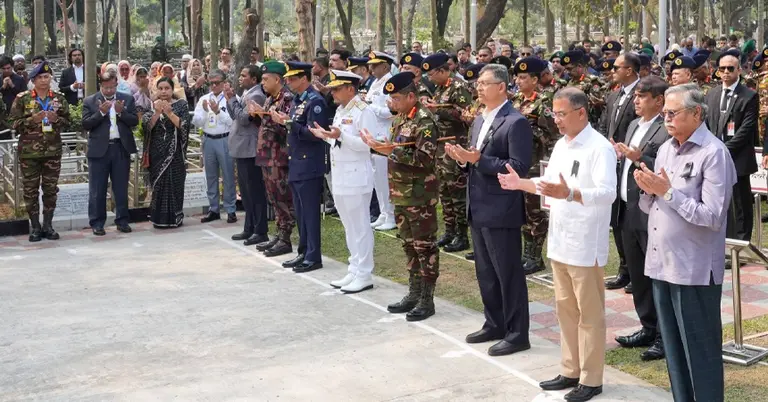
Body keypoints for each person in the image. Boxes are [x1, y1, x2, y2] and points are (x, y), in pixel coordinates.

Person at [498, 87, 616, 402]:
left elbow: (608, 194)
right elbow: (549, 184)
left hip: (585, 242)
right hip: (561, 239)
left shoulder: (599, 148)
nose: (557, 120)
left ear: (581, 113)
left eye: (562, 114)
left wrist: (572, 194)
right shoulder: (562, 145)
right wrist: (520, 183)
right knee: (565, 309)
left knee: (589, 313)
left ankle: (592, 378)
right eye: (554, 113)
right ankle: (570, 369)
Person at [635, 83, 736, 402]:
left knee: (700, 356)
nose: (665, 118)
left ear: (696, 113)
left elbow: (712, 216)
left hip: (693, 270)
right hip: (662, 264)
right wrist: (649, 191)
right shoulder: (666, 148)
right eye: (664, 112)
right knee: (675, 356)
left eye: (672, 112)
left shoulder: (714, 153)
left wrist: (666, 191)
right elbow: (655, 204)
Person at [445, 63, 533, 355]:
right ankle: (494, 323)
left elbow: (518, 167)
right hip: (478, 205)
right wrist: (462, 158)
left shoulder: (515, 121)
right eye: (478, 83)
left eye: (484, 83)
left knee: (508, 273)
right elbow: (474, 159)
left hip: (501, 207)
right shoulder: (480, 120)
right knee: (486, 272)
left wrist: (478, 160)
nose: (478, 88)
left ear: (501, 87)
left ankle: (517, 333)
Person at [361, 72, 440, 321]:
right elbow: (398, 150)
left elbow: (425, 160)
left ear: (411, 96)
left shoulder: (424, 121)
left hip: (419, 196)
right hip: (401, 194)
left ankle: (427, 299)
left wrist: (389, 151)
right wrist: (382, 146)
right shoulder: (401, 118)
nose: (391, 102)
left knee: (424, 248)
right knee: (409, 247)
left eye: (395, 97)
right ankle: (414, 293)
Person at [610, 76, 670, 361]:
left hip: (650, 211)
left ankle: (664, 335)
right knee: (637, 274)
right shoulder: (634, 125)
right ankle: (648, 326)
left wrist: (637, 158)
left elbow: (663, 169)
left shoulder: (665, 129)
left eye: (643, 96)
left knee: (657, 275)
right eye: (636, 96)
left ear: (659, 100)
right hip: (626, 207)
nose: (636, 99)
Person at [310, 70, 377, 293]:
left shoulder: (363, 110)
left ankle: (365, 273)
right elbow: (340, 142)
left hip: (357, 176)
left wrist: (340, 136)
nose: (333, 93)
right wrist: (328, 137)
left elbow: (368, 145)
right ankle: (354, 267)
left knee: (360, 226)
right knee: (349, 226)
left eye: (337, 89)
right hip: (341, 175)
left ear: (350, 88)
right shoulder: (341, 110)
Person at [269, 61, 330, 273]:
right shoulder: (297, 100)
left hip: (309, 163)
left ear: (304, 78)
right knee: (302, 212)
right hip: (296, 161)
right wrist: (283, 122)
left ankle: (314, 256)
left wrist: (289, 124)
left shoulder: (315, 102)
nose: (289, 82)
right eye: (287, 79)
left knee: (310, 213)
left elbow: (315, 134)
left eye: (293, 78)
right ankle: (303, 251)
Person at [9, 61, 71, 242]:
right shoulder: (23, 98)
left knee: (51, 190)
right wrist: (32, 120)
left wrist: (56, 119)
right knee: (30, 191)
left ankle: (48, 226)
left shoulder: (59, 98)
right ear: (33, 80)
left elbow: (68, 122)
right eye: (41, 77)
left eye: (47, 76)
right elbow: (12, 124)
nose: (45, 80)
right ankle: (35, 227)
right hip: (29, 153)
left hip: (52, 151)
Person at [509, 58, 559, 275]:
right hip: (519, 163)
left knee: (535, 212)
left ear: (535, 80)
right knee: (522, 211)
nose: (518, 81)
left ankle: (535, 255)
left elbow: (554, 134)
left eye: (523, 78)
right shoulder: (517, 100)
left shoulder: (545, 102)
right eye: (517, 77)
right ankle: (526, 252)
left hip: (536, 164)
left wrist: (527, 131)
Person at [705, 51, 759, 245]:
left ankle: (743, 244)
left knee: (741, 203)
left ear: (739, 70)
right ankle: (724, 242)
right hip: (713, 157)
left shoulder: (749, 96)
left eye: (730, 68)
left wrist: (723, 149)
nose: (726, 72)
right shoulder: (711, 94)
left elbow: (746, 129)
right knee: (718, 202)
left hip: (737, 158)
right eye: (722, 69)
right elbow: (707, 124)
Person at [422, 53, 473, 252]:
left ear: (443, 70)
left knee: (457, 192)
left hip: (455, 146)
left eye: (432, 74)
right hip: (441, 148)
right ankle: (450, 231)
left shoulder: (459, 87)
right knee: (444, 192)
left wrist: (438, 111)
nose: (430, 78)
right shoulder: (440, 88)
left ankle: (462, 236)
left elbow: (466, 115)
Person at [599, 53, 640, 292]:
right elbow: (605, 125)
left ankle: (637, 272)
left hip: (632, 162)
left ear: (631, 70)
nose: (612, 70)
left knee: (632, 219)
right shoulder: (614, 95)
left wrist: (625, 149)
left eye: (618, 67)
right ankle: (624, 269)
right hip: (613, 161)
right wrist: (607, 146)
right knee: (616, 218)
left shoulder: (641, 93)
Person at [82, 72, 139, 236]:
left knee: (121, 187)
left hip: (120, 148)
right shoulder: (90, 101)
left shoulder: (126, 98)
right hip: (99, 150)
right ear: (101, 86)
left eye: (111, 87)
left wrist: (121, 113)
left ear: (116, 84)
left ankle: (122, 221)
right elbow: (86, 124)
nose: (108, 91)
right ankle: (97, 223)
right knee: (97, 189)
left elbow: (134, 121)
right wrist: (100, 113)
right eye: (105, 87)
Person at [252, 61, 296, 257]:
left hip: (279, 157)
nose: (262, 83)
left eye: (265, 79)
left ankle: (285, 237)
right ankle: (279, 234)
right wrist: (257, 114)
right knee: (273, 198)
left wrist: (272, 119)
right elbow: (265, 125)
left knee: (283, 197)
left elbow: (288, 129)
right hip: (267, 156)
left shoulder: (287, 99)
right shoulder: (271, 98)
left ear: (277, 79)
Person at [227, 65, 270, 246]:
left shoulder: (256, 94)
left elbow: (245, 119)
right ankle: (249, 227)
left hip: (250, 148)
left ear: (253, 79)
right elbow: (235, 116)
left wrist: (232, 99)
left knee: (255, 191)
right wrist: (232, 101)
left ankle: (260, 230)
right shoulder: (246, 93)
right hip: (241, 148)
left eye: (244, 75)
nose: (240, 78)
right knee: (245, 192)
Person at [142, 77, 191, 228]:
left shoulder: (181, 105)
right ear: (156, 90)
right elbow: (146, 127)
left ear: (172, 89)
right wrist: (157, 113)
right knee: (158, 186)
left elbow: (184, 126)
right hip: (156, 153)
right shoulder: (151, 106)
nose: (164, 92)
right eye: (160, 88)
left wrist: (169, 113)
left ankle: (176, 217)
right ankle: (159, 218)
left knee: (174, 184)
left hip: (175, 154)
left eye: (167, 88)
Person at [191, 69, 238, 225]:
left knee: (228, 176)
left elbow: (233, 122)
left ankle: (231, 209)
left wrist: (218, 112)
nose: (214, 86)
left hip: (225, 138)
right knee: (210, 176)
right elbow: (197, 122)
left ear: (224, 82)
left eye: (217, 83)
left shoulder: (231, 98)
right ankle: (214, 209)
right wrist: (205, 111)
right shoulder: (204, 99)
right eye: (211, 83)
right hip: (208, 139)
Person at [365, 51, 398, 231]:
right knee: (377, 179)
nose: (371, 68)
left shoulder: (389, 83)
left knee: (385, 179)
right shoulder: (375, 83)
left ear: (385, 66)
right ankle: (383, 213)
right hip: (374, 134)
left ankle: (391, 215)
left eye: (375, 65)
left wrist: (371, 107)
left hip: (385, 133)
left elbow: (391, 112)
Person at [562, 50, 606, 126]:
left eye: (569, 69)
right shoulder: (570, 82)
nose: (567, 72)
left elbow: (597, 108)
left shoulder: (592, 82)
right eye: (565, 69)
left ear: (579, 66)